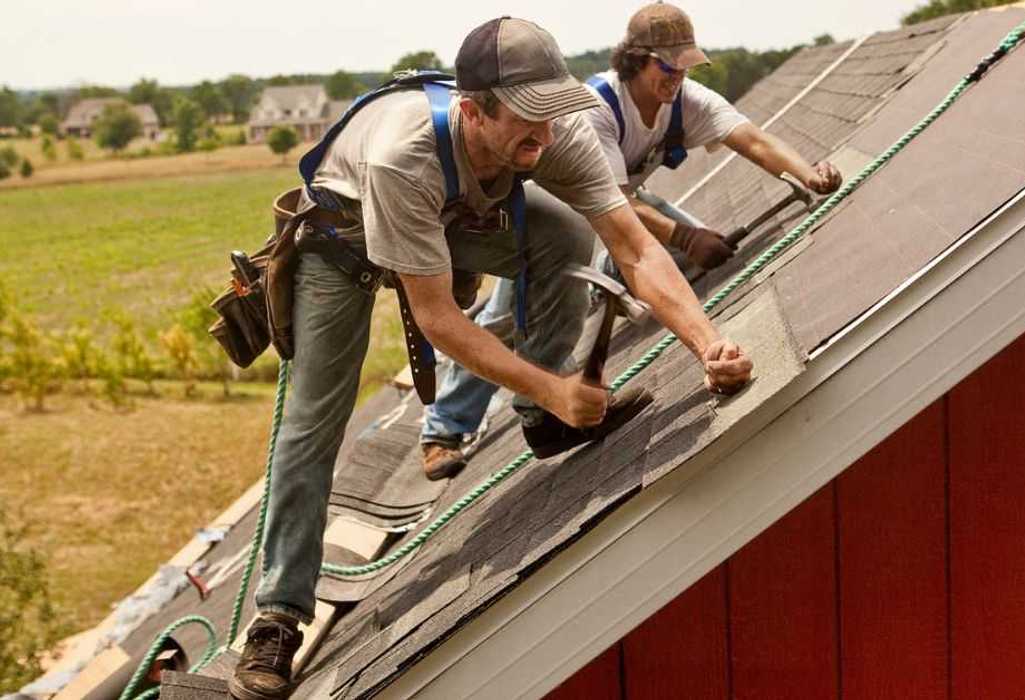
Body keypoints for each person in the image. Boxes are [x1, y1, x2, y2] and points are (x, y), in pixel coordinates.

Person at [229, 16, 752, 700]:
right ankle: (278, 615)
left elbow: (634, 246)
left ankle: (542, 419)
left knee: (563, 233)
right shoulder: (403, 155)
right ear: (473, 111)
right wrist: (563, 383)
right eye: (526, 123)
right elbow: (439, 319)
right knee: (312, 424)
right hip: (342, 239)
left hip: (444, 215)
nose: (543, 138)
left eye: (550, 118)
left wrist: (707, 343)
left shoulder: (548, 135)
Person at [420, 2, 839, 478]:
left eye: (687, 66)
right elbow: (618, 212)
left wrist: (809, 175)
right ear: (635, 61)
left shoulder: (686, 103)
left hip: (618, 209)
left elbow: (753, 141)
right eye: (669, 65)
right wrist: (685, 234)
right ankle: (445, 426)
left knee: (683, 260)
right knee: (507, 319)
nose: (678, 76)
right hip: (557, 215)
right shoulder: (595, 109)